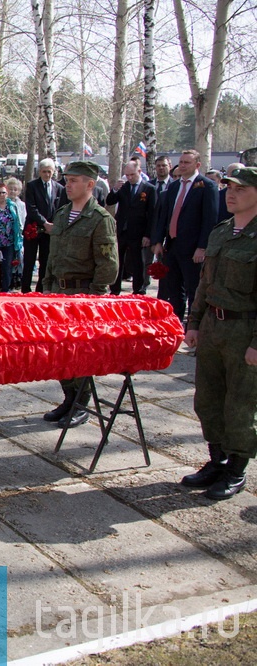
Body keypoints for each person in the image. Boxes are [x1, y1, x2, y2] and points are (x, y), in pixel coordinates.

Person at [181, 166, 257, 501]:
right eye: (228, 187)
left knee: (241, 402)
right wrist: (194, 322)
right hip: (213, 325)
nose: (230, 193)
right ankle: (217, 460)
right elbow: (205, 284)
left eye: (240, 189)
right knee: (208, 398)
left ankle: (237, 469)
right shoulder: (221, 232)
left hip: (245, 329)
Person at [42, 161, 119, 428]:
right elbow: (52, 256)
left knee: (80, 352)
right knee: (61, 351)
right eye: (67, 179)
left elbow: (108, 264)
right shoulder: (62, 214)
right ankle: (68, 397)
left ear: (90, 185)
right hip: (59, 294)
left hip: (83, 295)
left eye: (74, 180)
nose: (68, 185)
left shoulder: (100, 219)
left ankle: (81, 403)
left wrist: (95, 299)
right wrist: (47, 289)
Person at [151, 150, 219, 323]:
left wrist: (202, 247)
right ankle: (176, 324)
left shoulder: (207, 186)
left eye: (186, 162)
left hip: (193, 248)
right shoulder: (173, 186)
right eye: (180, 162)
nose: (182, 165)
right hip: (172, 246)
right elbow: (163, 216)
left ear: (197, 165)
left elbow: (210, 220)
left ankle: (194, 326)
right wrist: (158, 240)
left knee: (193, 289)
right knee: (174, 289)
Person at [105, 160, 156, 295]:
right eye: (127, 175)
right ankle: (115, 289)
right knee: (118, 261)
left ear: (139, 172)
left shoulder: (149, 189)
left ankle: (138, 289)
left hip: (138, 232)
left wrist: (148, 235)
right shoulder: (124, 187)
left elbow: (152, 214)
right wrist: (115, 189)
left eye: (132, 175)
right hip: (122, 231)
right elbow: (110, 201)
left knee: (138, 262)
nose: (129, 178)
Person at [23, 158, 63, 293]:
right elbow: (31, 207)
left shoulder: (59, 188)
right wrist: (44, 223)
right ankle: (25, 289)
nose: (47, 174)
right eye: (44, 172)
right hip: (33, 228)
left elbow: (60, 208)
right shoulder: (32, 186)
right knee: (29, 260)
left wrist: (53, 225)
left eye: (50, 172)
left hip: (49, 231)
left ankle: (41, 289)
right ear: (39, 172)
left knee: (45, 262)